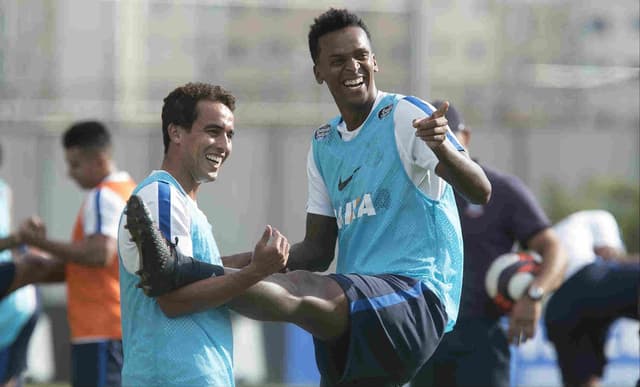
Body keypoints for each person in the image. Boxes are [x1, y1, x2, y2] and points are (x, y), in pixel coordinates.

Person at [122, 8, 492, 387]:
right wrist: (247, 262)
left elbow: (480, 191)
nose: (353, 67)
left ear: (375, 61)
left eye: (361, 56)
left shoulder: (406, 115)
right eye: (338, 60)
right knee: (303, 283)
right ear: (318, 72)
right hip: (357, 310)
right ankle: (183, 269)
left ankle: (180, 271)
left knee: (304, 290)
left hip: (413, 295)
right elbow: (316, 251)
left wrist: (444, 151)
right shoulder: (323, 144)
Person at [116, 82, 291, 387]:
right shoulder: (162, 196)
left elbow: (186, 271)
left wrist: (248, 261)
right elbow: (173, 299)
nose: (224, 145)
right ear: (176, 133)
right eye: (213, 131)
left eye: (230, 135)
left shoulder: (180, 201)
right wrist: (254, 272)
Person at [410, 101, 567, 387]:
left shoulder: (501, 190)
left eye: (443, 137)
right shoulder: (412, 192)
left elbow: (554, 248)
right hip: (426, 336)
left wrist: (534, 295)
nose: (435, 148)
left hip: (482, 338)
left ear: (465, 137)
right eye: (426, 141)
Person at [0, 122, 136, 387]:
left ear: (98, 160)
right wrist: (36, 266)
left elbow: (99, 253)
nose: (70, 174)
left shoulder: (103, 196)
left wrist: (42, 243)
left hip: (100, 328)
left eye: (75, 165)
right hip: (120, 328)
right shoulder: (128, 190)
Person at [544, 209, 640, 387]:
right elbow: (610, 255)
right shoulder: (599, 217)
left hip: (557, 308)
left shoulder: (555, 233)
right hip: (584, 281)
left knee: (583, 381)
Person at [0, 143, 40, 387]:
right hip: (20, 301)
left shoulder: (4, 190)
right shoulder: (4, 190)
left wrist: (20, 241)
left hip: (14, 301)